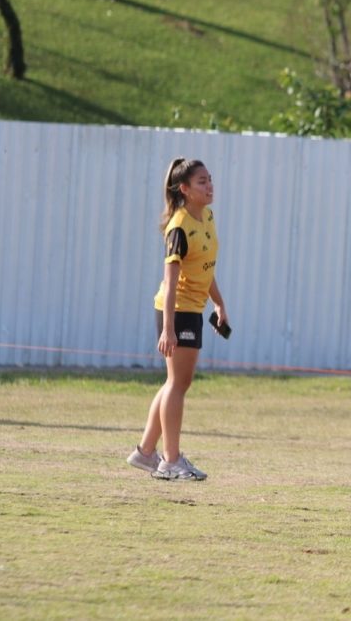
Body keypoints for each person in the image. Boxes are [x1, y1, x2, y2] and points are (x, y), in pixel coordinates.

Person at [127, 158, 227, 481]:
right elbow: (170, 282)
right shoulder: (180, 226)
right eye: (201, 182)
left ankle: (145, 453)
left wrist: (219, 304)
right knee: (178, 384)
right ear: (184, 189)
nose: (209, 186)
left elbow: (205, 267)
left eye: (210, 179)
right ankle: (170, 460)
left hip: (193, 309)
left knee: (175, 383)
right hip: (177, 309)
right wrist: (168, 328)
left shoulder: (207, 216)